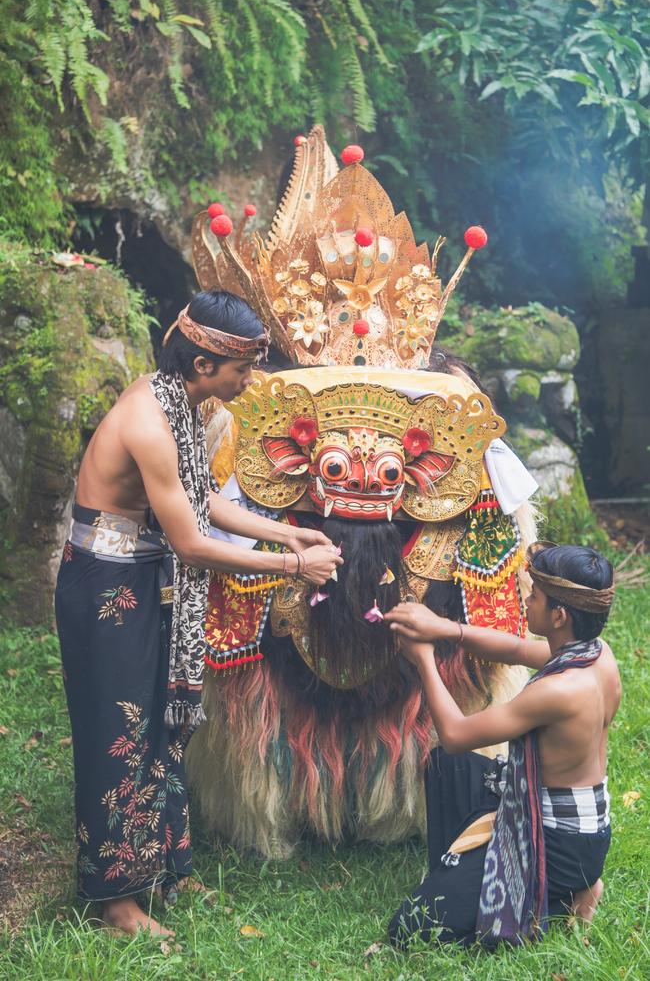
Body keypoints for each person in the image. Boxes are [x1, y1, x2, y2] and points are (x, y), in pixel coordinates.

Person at [55, 289, 343, 937]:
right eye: (243, 367)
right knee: (119, 735)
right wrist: (294, 568)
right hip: (108, 588)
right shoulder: (150, 423)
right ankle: (117, 903)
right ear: (206, 363)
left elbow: (201, 501)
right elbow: (189, 542)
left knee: (160, 720)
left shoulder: (177, 399)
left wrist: (285, 535)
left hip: (142, 576)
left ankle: (165, 867)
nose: (251, 379)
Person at [384, 541, 619, 949]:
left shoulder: (561, 691)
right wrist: (444, 629)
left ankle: (560, 892)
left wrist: (423, 659)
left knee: (412, 928)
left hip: (558, 844)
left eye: (534, 596)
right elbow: (513, 648)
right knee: (446, 767)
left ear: (559, 615)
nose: (526, 601)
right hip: (584, 831)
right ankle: (465, 872)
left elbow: (456, 734)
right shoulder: (596, 656)